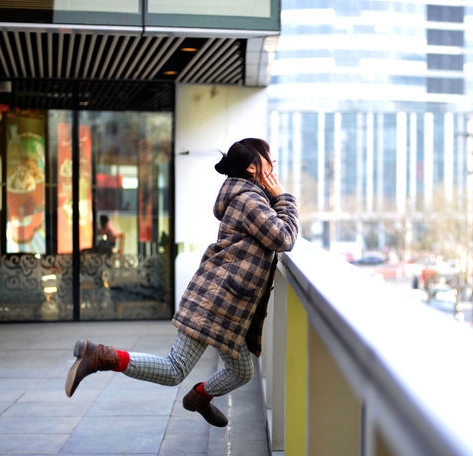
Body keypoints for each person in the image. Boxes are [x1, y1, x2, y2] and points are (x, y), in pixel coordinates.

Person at [65, 138, 299, 427]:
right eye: (268, 157)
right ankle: (99, 356)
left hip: (228, 304)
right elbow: (283, 238)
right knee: (174, 370)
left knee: (241, 372)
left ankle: (199, 397)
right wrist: (284, 198)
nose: (273, 162)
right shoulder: (249, 199)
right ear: (253, 166)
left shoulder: (248, 196)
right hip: (217, 301)